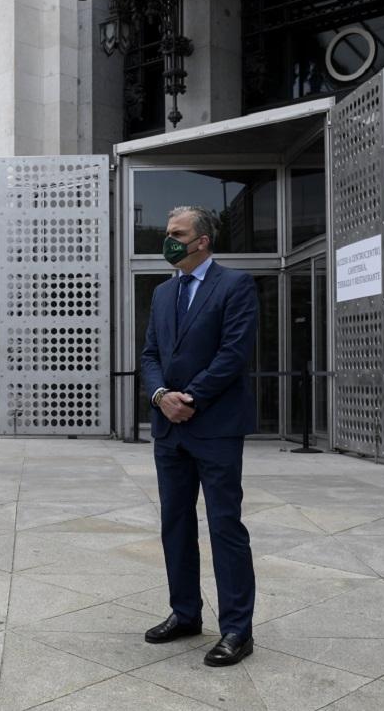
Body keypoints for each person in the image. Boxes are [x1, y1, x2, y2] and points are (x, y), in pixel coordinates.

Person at [139, 205, 259, 668]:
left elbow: (233, 353)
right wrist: (161, 396)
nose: (168, 239)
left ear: (202, 240)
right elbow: (149, 353)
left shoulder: (234, 285)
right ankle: (185, 612)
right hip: (170, 430)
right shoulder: (163, 293)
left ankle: (236, 630)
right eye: (168, 232)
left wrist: (190, 398)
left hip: (215, 427)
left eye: (177, 233)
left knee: (225, 526)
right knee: (176, 524)